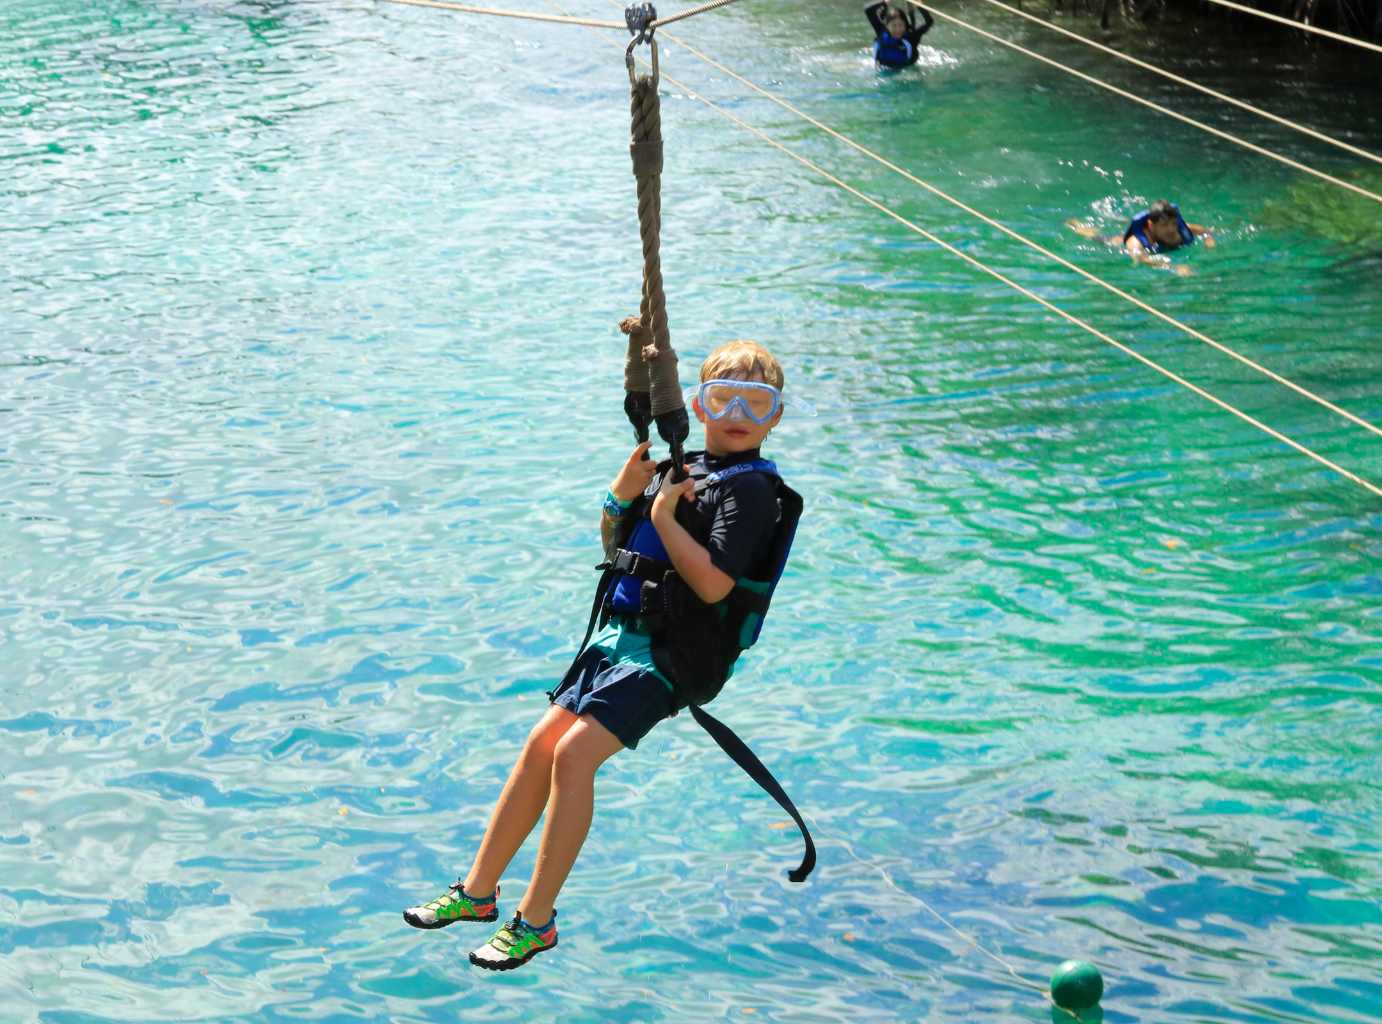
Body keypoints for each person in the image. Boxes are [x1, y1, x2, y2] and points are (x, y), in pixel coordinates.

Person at [403, 340, 802, 972]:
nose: (738, 413)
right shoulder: (685, 467)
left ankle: (536, 921)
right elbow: (621, 541)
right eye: (723, 397)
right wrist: (624, 495)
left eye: (758, 403)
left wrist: (668, 515)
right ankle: (477, 894)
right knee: (540, 745)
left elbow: (714, 585)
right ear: (698, 405)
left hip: (669, 656)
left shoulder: (750, 493)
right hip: (616, 639)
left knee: (572, 754)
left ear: (776, 418)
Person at [1067, 199, 1215, 274]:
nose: (1171, 229)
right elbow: (1141, 258)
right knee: (1096, 236)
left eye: (1173, 224)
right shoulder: (1135, 242)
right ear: (1151, 225)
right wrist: (1174, 267)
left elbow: (1206, 231)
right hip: (1116, 242)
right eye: (1164, 225)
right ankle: (1077, 225)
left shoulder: (1181, 229)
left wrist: (1209, 242)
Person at [866, 2, 934, 70]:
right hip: (882, 71)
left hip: (906, 73)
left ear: (905, 26)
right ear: (887, 26)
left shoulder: (911, 37)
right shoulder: (881, 31)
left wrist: (919, 5)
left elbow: (929, 22)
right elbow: (869, 10)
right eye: (894, 25)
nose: (897, 30)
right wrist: (885, 2)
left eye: (901, 25)